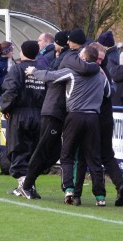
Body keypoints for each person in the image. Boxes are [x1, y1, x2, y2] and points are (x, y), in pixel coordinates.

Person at [19, 29, 99, 199]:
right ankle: (27, 184)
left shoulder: (73, 56)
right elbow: (83, 68)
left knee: (59, 153)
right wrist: (95, 66)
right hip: (55, 109)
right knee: (45, 148)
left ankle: (70, 190)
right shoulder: (72, 57)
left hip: (68, 112)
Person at [73, 41, 123, 207]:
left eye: (102, 59)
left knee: (85, 156)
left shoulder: (94, 70)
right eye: (98, 59)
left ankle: (78, 193)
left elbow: (110, 92)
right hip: (104, 117)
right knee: (106, 154)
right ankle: (120, 183)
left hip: (95, 117)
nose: (100, 61)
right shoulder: (101, 71)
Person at [0, 40, 46, 193]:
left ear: (22, 52)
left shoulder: (17, 69)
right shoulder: (43, 69)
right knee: (33, 151)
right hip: (40, 115)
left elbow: (11, 90)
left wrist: (5, 107)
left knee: (18, 149)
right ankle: (26, 186)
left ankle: (25, 185)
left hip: (20, 114)